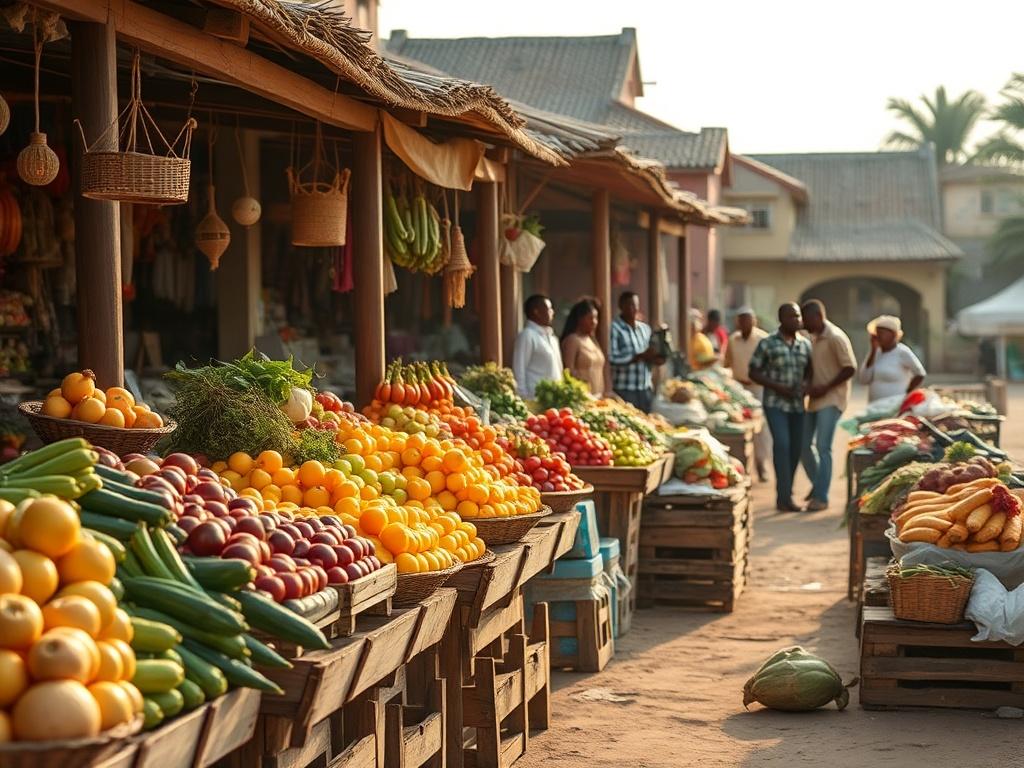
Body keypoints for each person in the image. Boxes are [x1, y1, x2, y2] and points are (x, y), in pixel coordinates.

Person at [749, 303, 813, 512]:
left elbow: (810, 373)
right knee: (783, 445)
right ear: (782, 319)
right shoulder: (768, 343)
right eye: (792, 317)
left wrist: (804, 387)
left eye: (798, 317)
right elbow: (754, 372)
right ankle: (783, 496)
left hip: (797, 405)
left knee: (795, 449)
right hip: (775, 403)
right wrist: (778, 387)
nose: (797, 321)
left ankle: (787, 494)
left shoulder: (805, 344)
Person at [799, 300, 857, 511]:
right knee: (803, 445)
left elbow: (850, 368)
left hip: (832, 399)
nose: (804, 324)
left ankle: (821, 497)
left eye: (806, 320)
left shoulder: (835, 337)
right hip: (814, 400)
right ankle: (818, 485)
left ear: (817, 316)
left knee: (823, 447)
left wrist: (826, 387)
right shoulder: (812, 338)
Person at [724, 306, 770, 482]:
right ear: (738, 322)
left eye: (748, 320)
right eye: (741, 320)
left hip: (758, 388)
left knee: (760, 429)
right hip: (739, 388)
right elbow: (727, 363)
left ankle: (762, 465)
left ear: (754, 321)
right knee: (739, 427)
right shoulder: (733, 340)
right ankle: (743, 467)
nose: (744, 324)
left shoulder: (762, 339)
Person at [609, 291, 664, 412]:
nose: (633, 309)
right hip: (625, 389)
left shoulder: (645, 329)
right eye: (629, 305)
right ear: (621, 306)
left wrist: (657, 358)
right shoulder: (615, 328)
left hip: (645, 388)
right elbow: (612, 358)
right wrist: (639, 356)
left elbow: (650, 356)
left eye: (635, 305)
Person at [857, 315, 926, 403]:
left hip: (894, 406)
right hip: (874, 406)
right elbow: (864, 379)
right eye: (877, 333)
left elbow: (920, 374)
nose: (879, 337)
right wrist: (873, 350)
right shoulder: (875, 353)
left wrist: (906, 393)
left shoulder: (902, 352)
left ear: (893, 334)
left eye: (882, 333)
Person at [512, 294, 563, 399]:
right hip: (534, 399)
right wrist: (523, 397)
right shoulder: (527, 335)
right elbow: (519, 369)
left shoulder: (552, 338)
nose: (552, 312)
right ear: (537, 312)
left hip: (555, 400)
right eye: (549, 309)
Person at [560, 298, 606, 395]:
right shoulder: (572, 340)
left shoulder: (592, 340)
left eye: (596, 318)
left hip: (599, 397)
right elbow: (568, 371)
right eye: (590, 318)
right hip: (582, 397)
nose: (594, 322)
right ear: (579, 319)